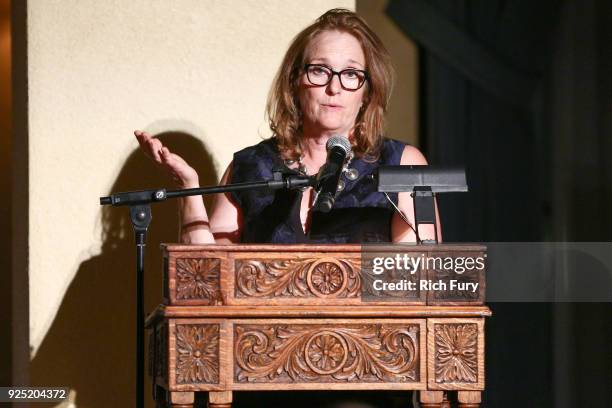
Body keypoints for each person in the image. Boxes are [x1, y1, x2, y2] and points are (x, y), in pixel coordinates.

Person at [135, 8, 440, 246]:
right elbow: (207, 279)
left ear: (367, 90)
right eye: (319, 70)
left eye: (350, 74)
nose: (334, 87)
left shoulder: (400, 163)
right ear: (295, 82)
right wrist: (189, 188)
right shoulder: (250, 167)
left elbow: (420, 275)